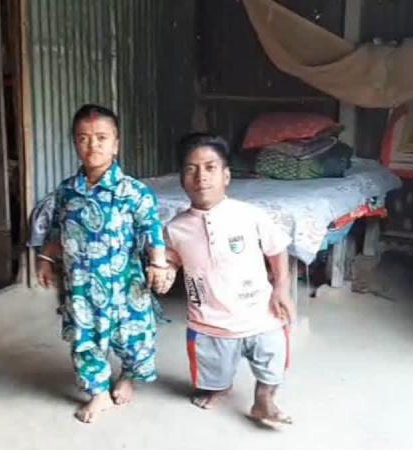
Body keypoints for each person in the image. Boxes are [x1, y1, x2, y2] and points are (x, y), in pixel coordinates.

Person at [36, 104, 173, 423]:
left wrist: (158, 264)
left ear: (116, 143)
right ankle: (98, 393)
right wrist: (45, 258)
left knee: (134, 338)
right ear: (74, 142)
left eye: (101, 137)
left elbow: (152, 229)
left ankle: (129, 376)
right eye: (83, 138)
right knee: (85, 340)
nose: (92, 145)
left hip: (126, 285)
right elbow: (57, 230)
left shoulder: (134, 192)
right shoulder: (66, 191)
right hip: (81, 287)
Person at [156, 132, 295, 426]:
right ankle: (218, 387)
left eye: (210, 168)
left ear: (226, 176)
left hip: (261, 313)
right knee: (210, 372)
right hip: (209, 319)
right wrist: (165, 271)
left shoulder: (249, 215)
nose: (201, 177)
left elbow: (277, 248)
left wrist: (281, 288)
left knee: (273, 360)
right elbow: (171, 258)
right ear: (181, 178)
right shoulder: (175, 228)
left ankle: (264, 400)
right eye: (191, 169)